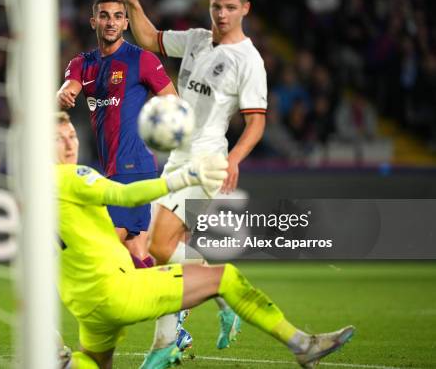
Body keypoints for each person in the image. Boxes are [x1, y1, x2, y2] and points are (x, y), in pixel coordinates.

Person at [55, 111, 354, 369]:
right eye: (59, 138)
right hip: (116, 291)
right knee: (225, 277)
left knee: (92, 362)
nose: (70, 143)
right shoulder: (68, 177)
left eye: (72, 135)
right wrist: (182, 178)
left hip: (86, 303)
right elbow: (123, 194)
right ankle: (302, 344)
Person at [110, 0, 268, 362]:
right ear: (209, 4)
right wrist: (133, 3)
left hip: (208, 160)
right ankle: (217, 299)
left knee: (158, 248)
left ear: (244, 9)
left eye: (231, 8)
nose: (223, 14)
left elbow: (257, 121)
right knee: (159, 251)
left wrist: (233, 159)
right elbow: (150, 39)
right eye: (217, 6)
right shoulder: (197, 39)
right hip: (178, 159)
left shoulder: (249, 60)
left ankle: (167, 343)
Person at [57, 0, 178, 269]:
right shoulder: (81, 64)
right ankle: (176, 300)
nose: (111, 22)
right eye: (104, 16)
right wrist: (62, 95)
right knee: (135, 250)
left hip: (135, 164)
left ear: (125, 23)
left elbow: (174, 105)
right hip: (109, 167)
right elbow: (68, 89)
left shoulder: (142, 60)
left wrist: (160, 124)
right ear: (93, 22)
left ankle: (174, 297)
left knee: (105, 245)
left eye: (118, 16)